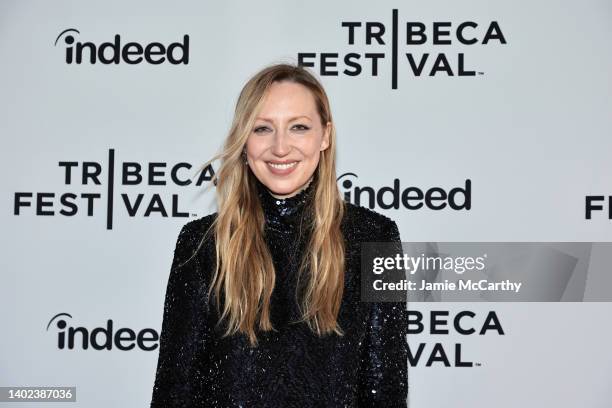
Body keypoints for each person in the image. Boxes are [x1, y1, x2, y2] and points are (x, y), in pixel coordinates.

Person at [150, 62, 408, 407]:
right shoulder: (201, 244)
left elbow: (385, 389)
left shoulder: (374, 237)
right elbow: (174, 391)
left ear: (325, 135)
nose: (281, 147)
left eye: (299, 127)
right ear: (243, 140)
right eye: (262, 129)